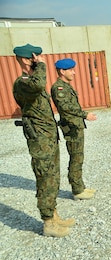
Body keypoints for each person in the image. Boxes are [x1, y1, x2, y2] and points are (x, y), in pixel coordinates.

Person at [12, 44, 74, 237]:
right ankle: (48, 223)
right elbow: (38, 85)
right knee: (45, 177)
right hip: (39, 140)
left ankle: (54, 215)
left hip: (47, 137)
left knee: (53, 176)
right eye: (35, 57)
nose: (39, 59)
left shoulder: (32, 80)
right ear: (25, 59)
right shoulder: (23, 82)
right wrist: (41, 66)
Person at [51, 58, 97, 201]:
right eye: (70, 70)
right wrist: (85, 115)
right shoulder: (59, 88)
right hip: (71, 128)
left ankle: (80, 186)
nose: (74, 72)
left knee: (79, 157)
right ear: (62, 71)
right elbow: (65, 108)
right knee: (75, 158)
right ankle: (77, 191)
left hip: (76, 126)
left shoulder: (66, 86)